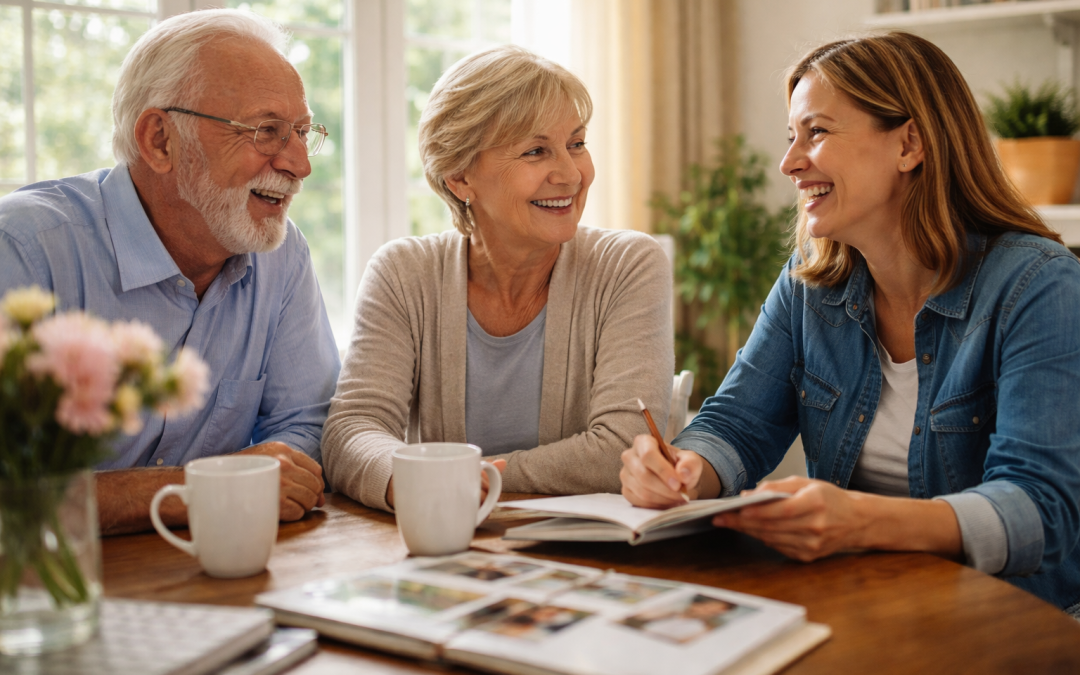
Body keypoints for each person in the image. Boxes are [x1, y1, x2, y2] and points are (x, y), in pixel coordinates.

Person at [620, 32, 1080, 616]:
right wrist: (686, 470)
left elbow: (1041, 511)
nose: (789, 163)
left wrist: (859, 520)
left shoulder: (1039, 287)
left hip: (1013, 623)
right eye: (792, 137)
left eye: (817, 132)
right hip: (863, 607)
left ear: (909, 143)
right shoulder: (810, 283)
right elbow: (736, 424)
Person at [0, 9, 341, 534]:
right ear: (160, 140)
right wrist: (198, 489)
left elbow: (307, 424)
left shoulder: (282, 253)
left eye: (300, 132)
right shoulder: (22, 252)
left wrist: (264, 475)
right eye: (267, 131)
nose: (300, 163)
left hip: (220, 573)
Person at [323, 45, 674, 512]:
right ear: (459, 178)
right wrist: (425, 485)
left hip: (580, 557)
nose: (571, 174)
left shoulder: (628, 264)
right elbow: (352, 430)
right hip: (445, 549)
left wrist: (470, 479)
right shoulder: (403, 274)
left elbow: (621, 449)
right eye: (536, 151)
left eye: (576, 143)